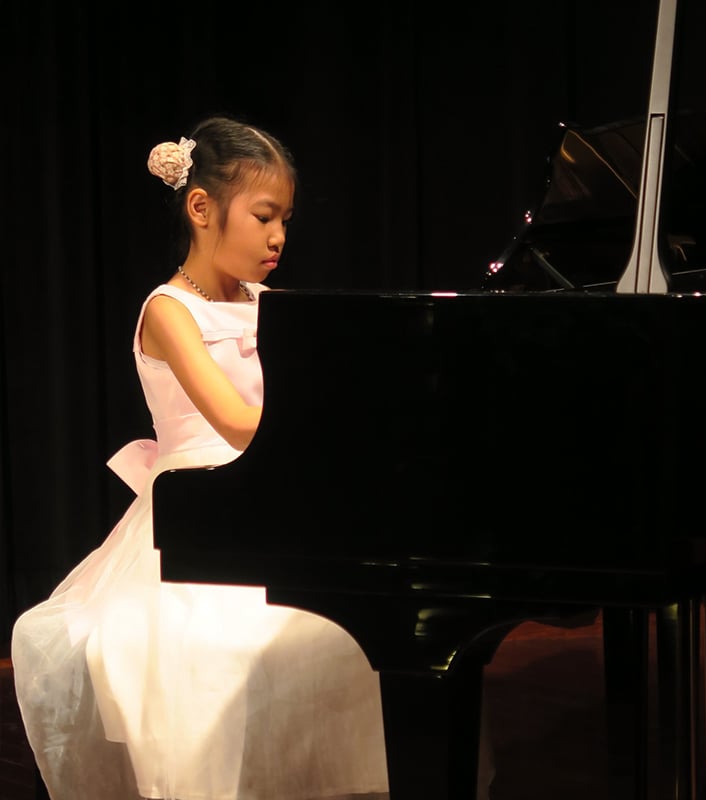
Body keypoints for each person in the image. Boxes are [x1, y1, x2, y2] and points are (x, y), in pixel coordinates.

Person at [11, 116, 494, 800]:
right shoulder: (169, 311)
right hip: (201, 513)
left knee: (356, 633)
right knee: (219, 656)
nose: (279, 237)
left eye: (286, 220)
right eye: (264, 216)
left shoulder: (273, 304)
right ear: (201, 208)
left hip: (284, 499)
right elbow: (237, 424)